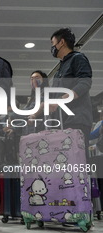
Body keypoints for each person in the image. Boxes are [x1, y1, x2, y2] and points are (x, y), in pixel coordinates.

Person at [49, 28, 93, 157]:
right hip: (63, 121)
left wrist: (60, 101)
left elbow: (84, 83)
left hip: (77, 119)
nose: (52, 47)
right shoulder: (60, 69)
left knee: (77, 159)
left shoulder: (77, 58)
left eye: (53, 43)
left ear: (61, 42)